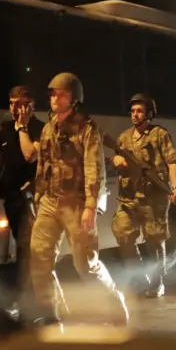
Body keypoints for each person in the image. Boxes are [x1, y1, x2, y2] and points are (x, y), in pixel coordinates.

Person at [30, 72, 127, 326]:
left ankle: (115, 305)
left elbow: (94, 167)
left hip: (77, 203)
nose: (55, 98)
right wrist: (39, 196)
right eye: (52, 93)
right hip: (50, 202)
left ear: (74, 99)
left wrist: (90, 206)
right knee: (39, 257)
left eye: (61, 94)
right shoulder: (48, 127)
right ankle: (52, 314)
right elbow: (43, 164)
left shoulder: (87, 129)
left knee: (86, 265)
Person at [111, 93, 176, 298]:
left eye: (139, 111)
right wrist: (116, 160)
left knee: (154, 241)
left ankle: (157, 282)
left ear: (149, 114)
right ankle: (140, 277)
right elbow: (116, 157)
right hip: (128, 198)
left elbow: (172, 162)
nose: (134, 115)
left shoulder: (159, 135)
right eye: (133, 111)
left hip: (153, 198)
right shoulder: (124, 137)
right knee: (123, 234)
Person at [0, 85, 44, 307]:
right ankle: (27, 293)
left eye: (20, 104)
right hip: (11, 198)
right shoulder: (5, 129)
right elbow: (1, 161)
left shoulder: (39, 128)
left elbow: (30, 155)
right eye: (12, 103)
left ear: (31, 107)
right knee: (20, 244)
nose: (14, 108)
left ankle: (28, 296)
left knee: (28, 247)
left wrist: (23, 128)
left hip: (31, 199)